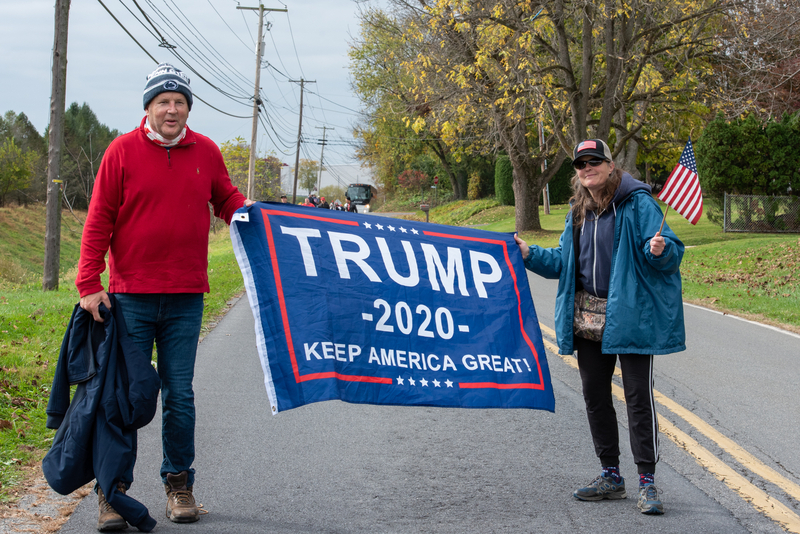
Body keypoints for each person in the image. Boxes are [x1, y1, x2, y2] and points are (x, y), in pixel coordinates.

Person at [75, 63, 254, 530]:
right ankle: (112, 494)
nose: (171, 110)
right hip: (129, 297)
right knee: (124, 397)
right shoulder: (121, 151)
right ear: (149, 108)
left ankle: (179, 485)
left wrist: (255, 215)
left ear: (187, 109)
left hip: (185, 297)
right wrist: (89, 284)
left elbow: (227, 200)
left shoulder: (207, 151)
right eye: (163, 102)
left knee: (181, 395)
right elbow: (98, 220)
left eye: (179, 103)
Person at [514, 139, 685, 516]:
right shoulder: (577, 211)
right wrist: (528, 255)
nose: (587, 168)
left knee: (639, 397)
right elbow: (562, 262)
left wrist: (661, 250)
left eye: (594, 161)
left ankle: (647, 482)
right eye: (580, 164)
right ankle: (611, 476)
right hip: (587, 318)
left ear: (610, 166)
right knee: (595, 395)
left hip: (631, 316)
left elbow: (670, 251)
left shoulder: (637, 203)